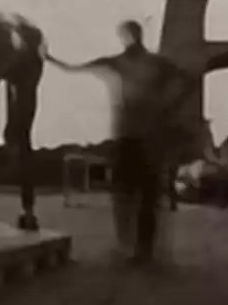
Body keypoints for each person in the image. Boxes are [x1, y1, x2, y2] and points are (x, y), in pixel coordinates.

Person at [46, 20, 196, 262]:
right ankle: (131, 245)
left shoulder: (151, 64)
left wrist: (168, 107)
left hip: (145, 136)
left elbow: (189, 80)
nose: (129, 39)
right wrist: (50, 58)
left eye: (130, 34)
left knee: (142, 192)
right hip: (130, 135)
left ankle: (140, 247)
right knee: (127, 191)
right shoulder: (121, 63)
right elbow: (76, 68)